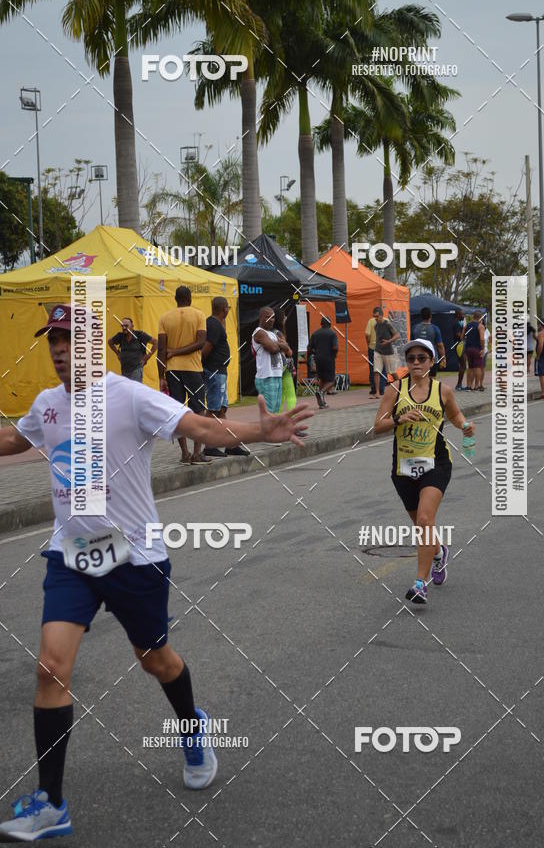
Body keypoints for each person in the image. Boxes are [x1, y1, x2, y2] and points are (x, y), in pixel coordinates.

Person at [0, 303, 313, 843]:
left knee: (156, 660)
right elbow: (16, 441)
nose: (58, 350)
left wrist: (261, 433)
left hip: (134, 556)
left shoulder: (130, 396)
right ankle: (51, 804)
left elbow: (196, 426)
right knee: (51, 666)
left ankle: (193, 725)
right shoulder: (48, 404)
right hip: (71, 554)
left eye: (70, 339)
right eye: (52, 341)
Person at [374, 338, 474, 605]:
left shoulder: (443, 391)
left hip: (436, 463)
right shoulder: (395, 389)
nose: (416, 363)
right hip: (403, 467)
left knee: (425, 521)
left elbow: (454, 416)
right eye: (411, 358)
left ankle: (420, 583)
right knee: (419, 522)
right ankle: (440, 551)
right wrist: (399, 418)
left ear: (432, 362)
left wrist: (465, 426)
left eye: (422, 358)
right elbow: (377, 425)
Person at [158, 286, 210, 465]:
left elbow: (162, 350)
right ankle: (197, 453)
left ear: (175, 299)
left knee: (177, 412)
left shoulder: (164, 318)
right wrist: (178, 352)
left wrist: (161, 376)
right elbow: (200, 342)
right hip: (193, 369)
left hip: (172, 371)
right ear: (190, 299)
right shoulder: (199, 315)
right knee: (199, 410)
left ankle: (184, 454)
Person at [201, 296, 250, 458]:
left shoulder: (216, 323)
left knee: (222, 408)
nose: (228, 310)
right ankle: (209, 445)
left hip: (220, 371)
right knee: (214, 410)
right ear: (224, 309)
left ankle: (231, 444)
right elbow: (207, 348)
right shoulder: (214, 324)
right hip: (215, 371)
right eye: (228, 308)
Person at [252, 307, 287, 413]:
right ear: (260, 317)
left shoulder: (272, 334)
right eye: (268, 317)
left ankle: (276, 430)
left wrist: (279, 345)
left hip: (277, 375)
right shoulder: (259, 332)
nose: (271, 320)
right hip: (266, 377)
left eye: (273, 317)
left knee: (276, 411)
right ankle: (265, 430)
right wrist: (280, 345)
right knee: (269, 412)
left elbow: (288, 349)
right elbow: (273, 349)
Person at [108, 317, 157, 382]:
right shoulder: (120, 336)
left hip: (136, 368)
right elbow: (110, 342)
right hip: (124, 369)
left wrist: (146, 357)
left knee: (135, 389)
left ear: (132, 326)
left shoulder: (140, 335)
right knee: (126, 390)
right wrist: (118, 354)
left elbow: (156, 342)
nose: (124, 328)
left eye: (126, 326)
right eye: (122, 326)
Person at [307, 317, 338, 409]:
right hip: (329, 359)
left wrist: (314, 355)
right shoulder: (332, 333)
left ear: (321, 324)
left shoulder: (315, 333)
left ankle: (322, 402)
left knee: (322, 379)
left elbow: (309, 348)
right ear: (330, 324)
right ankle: (321, 392)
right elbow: (335, 347)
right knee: (332, 380)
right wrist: (334, 355)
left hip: (318, 359)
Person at [274, 308, 297, 412]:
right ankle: (291, 419)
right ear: (280, 319)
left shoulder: (267, 332)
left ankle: (277, 419)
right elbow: (289, 352)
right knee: (291, 396)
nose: (285, 319)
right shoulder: (279, 334)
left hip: (274, 367)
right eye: (284, 317)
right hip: (283, 366)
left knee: (281, 396)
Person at [412, 307, 446, 377]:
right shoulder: (435, 328)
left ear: (421, 316)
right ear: (431, 316)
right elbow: (440, 345)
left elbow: (412, 343)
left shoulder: (415, 328)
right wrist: (443, 358)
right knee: (432, 381)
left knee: (419, 379)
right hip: (431, 359)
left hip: (418, 358)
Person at [373, 307, 400, 396]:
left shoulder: (387, 324)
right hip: (378, 351)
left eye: (377, 316)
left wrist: (388, 341)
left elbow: (397, 335)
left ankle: (401, 387)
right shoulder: (376, 326)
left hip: (388, 352)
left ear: (381, 315)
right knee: (376, 371)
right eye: (374, 317)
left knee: (392, 372)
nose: (376, 318)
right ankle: (377, 392)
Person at [464, 311, 485, 391]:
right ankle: (476, 386)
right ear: (480, 318)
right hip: (477, 349)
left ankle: (469, 386)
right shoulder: (480, 326)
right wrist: (483, 349)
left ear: (473, 316)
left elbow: (462, 336)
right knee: (478, 367)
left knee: (470, 367)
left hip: (468, 348)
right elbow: (482, 338)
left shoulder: (467, 325)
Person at [365, 307, 383, 397]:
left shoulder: (371, 321)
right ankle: (381, 388)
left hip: (373, 348)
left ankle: (374, 389)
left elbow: (367, 334)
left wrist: (368, 343)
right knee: (382, 369)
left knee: (373, 369)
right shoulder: (387, 320)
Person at [453, 310, 467, 390]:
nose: (464, 316)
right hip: (459, 346)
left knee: (463, 365)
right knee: (463, 365)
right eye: (462, 314)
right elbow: (459, 336)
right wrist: (465, 332)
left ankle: (459, 384)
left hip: (460, 345)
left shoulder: (459, 323)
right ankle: (458, 385)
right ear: (458, 315)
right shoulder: (455, 323)